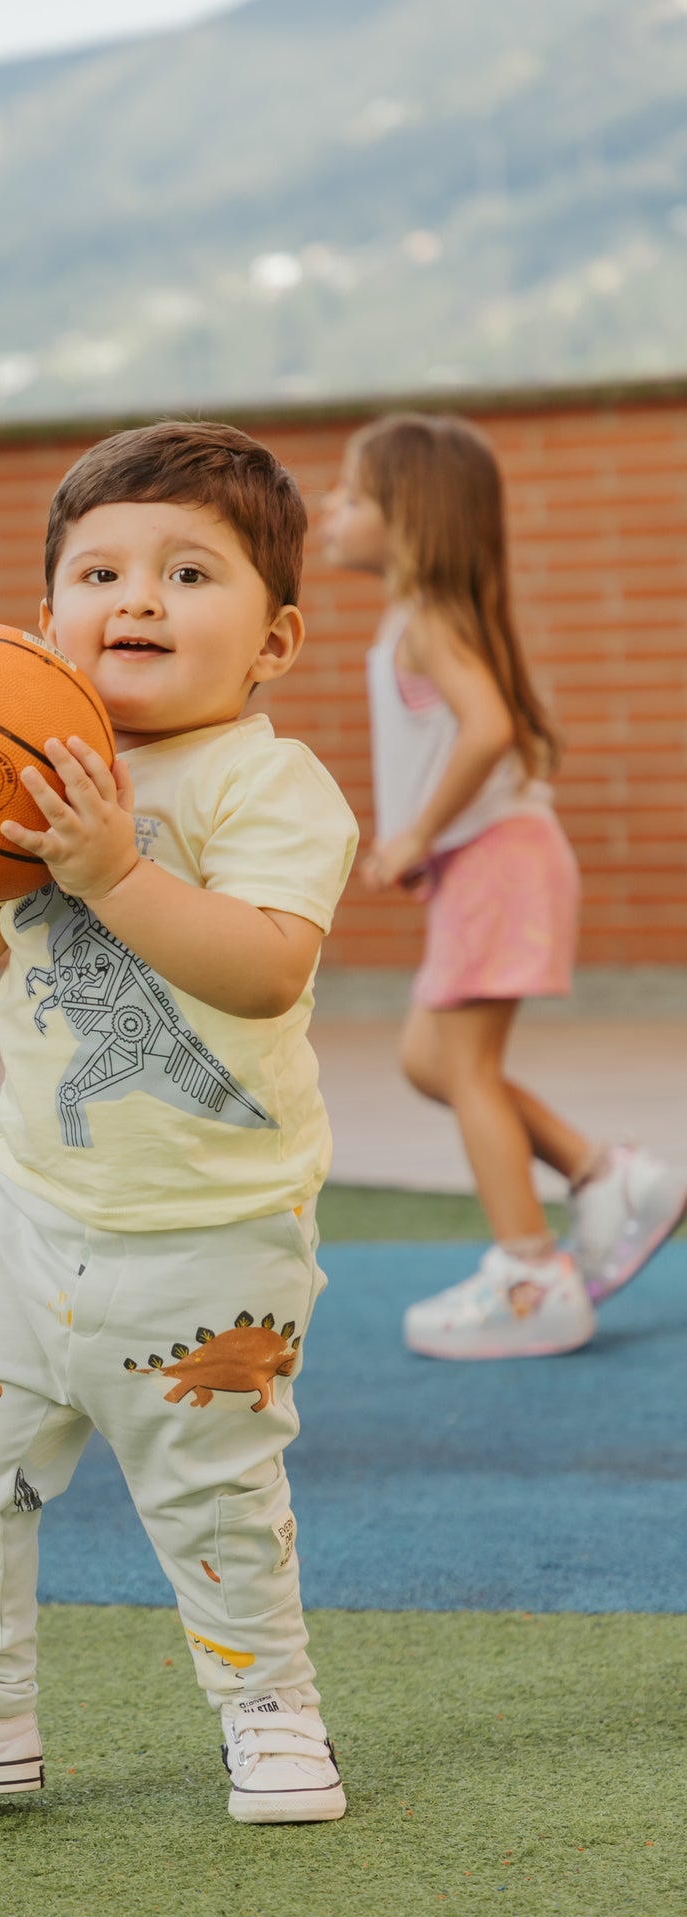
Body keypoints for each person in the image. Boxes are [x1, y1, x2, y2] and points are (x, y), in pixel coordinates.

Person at [0, 421, 358, 1824]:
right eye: (98, 573)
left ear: (273, 642)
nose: (137, 599)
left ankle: (272, 1713)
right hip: (30, 1217)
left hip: (213, 1234)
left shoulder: (261, 783)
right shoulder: (24, 764)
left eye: (187, 573)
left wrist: (109, 870)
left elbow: (266, 963)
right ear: (44, 629)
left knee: (213, 1496)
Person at [321, 411, 686, 1362]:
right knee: (427, 1059)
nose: (330, 507)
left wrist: (416, 837)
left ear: (408, 519)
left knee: (467, 1069)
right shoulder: (420, 617)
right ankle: (606, 1174)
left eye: (352, 495)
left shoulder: (429, 621)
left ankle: (533, 1275)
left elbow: (487, 730)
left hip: (498, 866)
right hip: (491, 869)